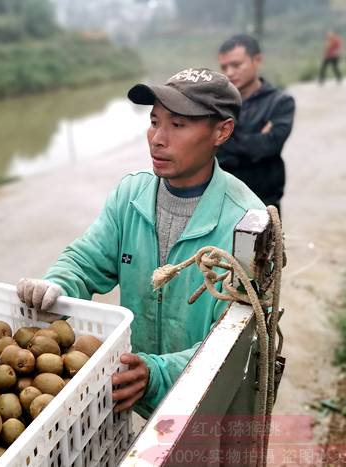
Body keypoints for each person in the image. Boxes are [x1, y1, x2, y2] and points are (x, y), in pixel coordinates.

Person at [16, 68, 264, 418]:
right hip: (139, 399)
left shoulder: (246, 225)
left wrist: (158, 373)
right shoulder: (130, 195)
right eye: (154, 121)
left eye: (177, 125)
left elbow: (234, 344)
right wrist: (55, 285)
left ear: (221, 131)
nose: (157, 139)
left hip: (208, 408)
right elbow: (85, 262)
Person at [216, 34, 295, 213]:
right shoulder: (218, 103)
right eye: (224, 67)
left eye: (236, 65)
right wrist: (256, 137)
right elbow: (208, 147)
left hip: (264, 203)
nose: (229, 73)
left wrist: (227, 140)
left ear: (257, 60)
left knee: (267, 242)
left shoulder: (280, 102)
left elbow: (266, 148)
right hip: (222, 200)